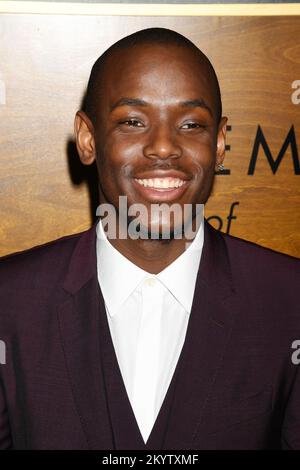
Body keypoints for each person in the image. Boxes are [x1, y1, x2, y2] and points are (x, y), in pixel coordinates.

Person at [0, 27, 299, 450]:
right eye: (133, 122)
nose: (163, 147)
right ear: (88, 139)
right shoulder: (8, 303)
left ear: (219, 143)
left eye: (191, 124)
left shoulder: (290, 301)